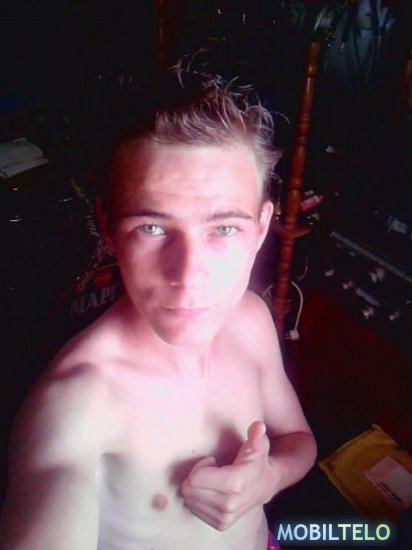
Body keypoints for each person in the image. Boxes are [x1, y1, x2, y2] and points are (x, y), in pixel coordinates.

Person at [0, 62, 317, 550]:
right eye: (151, 228)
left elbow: (299, 440)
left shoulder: (252, 320)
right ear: (108, 228)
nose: (189, 275)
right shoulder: (73, 408)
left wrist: (269, 478)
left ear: (259, 230)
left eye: (224, 228)